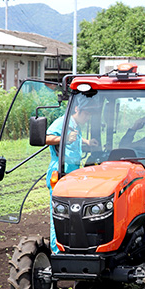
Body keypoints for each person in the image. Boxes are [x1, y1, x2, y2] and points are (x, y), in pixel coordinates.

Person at [46, 98, 100, 254]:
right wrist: (64, 139)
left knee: (74, 212)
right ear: (77, 109)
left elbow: (74, 138)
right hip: (60, 171)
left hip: (74, 173)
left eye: (90, 114)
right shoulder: (62, 122)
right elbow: (45, 138)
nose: (88, 117)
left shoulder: (76, 125)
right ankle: (57, 251)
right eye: (86, 113)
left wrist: (87, 142)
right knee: (58, 212)